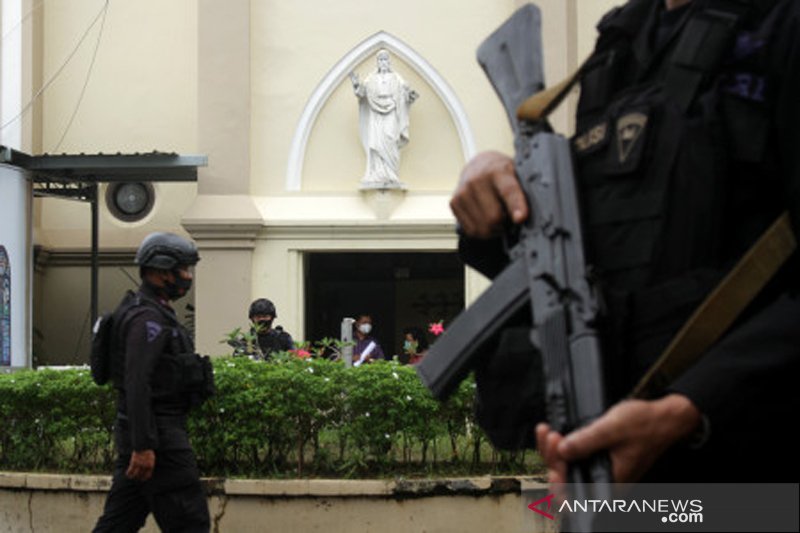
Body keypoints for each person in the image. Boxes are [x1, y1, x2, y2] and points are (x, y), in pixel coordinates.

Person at [451, 0, 800, 483]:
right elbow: (611, 247)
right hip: (623, 475)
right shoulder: (622, 43)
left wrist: (689, 405)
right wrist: (495, 197)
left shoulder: (781, 27)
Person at [93, 232, 211, 532]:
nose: (188, 276)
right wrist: (144, 446)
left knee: (118, 524)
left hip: (145, 437)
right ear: (160, 271)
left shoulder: (152, 311)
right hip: (161, 442)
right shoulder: (148, 319)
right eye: (183, 269)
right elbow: (136, 381)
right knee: (190, 524)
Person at [349, 49, 419, 186]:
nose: (383, 62)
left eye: (385, 60)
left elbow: (404, 93)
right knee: (376, 141)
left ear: (389, 62)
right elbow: (362, 93)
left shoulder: (396, 78)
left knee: (390, 139)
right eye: (380, 60)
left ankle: (391, 173)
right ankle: (377, 173)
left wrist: (409, 96)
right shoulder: (371, 78)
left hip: (392, 111)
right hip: (375, 113)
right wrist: (357, 85)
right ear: (377, 63)